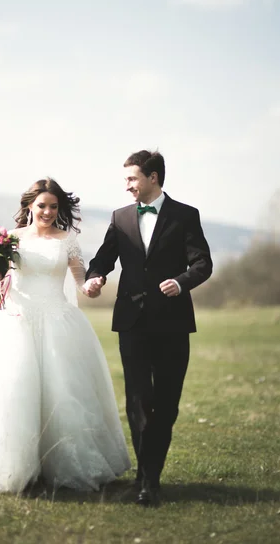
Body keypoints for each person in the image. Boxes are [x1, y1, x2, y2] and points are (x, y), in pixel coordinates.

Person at [0, 178, 130, 493]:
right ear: (29, 206)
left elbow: (81, 282)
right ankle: (10, 462)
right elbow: (0, 277)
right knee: (12, 391)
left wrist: (92, 287)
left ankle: (60, 460)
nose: (48, 212)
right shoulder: (9, 239)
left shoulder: (67, 240)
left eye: (54, 206)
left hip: (58, 322)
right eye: (42, 205)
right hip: (16, 322)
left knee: (64, 392)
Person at [83, 150, 212, 506]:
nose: (126, 186)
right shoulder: (120, 217)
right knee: (139, 401)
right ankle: (147, 481)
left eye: (132, 179)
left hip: (173, 322)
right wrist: (95, 279)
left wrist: (182, 281)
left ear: (153, 177)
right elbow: (103, 259)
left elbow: (203, 262)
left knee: (167, 404)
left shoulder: (186, 215)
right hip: (132, 322)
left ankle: (146, 477)